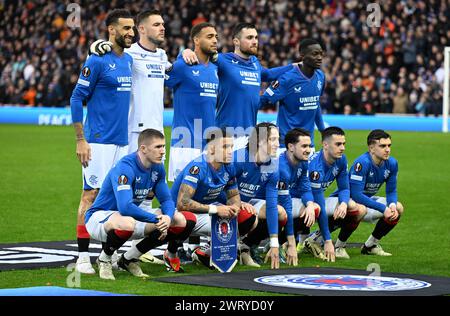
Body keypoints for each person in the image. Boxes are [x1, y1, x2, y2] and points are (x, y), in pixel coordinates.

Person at [70, 9, 134, 275]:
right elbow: (76, 98)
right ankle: (82, 256)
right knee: (90, 195)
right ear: (111, 30)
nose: (131, 33)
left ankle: (109, 253)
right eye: (126, 29)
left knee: (117, 198)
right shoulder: (96, 60)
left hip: (122, 141)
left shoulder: (129, 59)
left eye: (133, 28)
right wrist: (80, 140)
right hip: (97, 141)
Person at [84, 129, 196, 280]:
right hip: (100, 218)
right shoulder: (125, 167)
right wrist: (156, 220)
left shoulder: (157, 167)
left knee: (180, 220)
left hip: (128, 218)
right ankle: (104, 259)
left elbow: (167, 200)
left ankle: (129, 259)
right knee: (127, 222)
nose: (163, 151)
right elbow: (125, 207)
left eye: (163, 146)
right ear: (143, 148)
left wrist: (167, 218)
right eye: (158, 147)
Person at [183, 23, 293, 149]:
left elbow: (268, 74)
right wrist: (185, 52)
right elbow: (200, 54)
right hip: (225, 136)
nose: (255, 41)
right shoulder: (222, 60)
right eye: (249, 38)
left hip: (249, 136)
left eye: (256, 38)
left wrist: (293, 66)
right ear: (236, 41)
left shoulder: (255, 63)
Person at [169, 127, 258, 269]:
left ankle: (206, 252)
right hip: (178, 215)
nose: (230, 151)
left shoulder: (229, 167)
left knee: (247, 217)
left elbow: (233, 195)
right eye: (225, 147)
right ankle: (171, 252)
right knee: (188, 220)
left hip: (204, 213)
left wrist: (235, 207)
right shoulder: (198, 167)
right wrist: (216, 209)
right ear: (211, 149)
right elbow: (182, 203)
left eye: (231, 147)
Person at [231, 123, 293, 269]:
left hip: (246, 203)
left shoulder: (272, 166)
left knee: (280, 213)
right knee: (247, 214)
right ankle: (223, 245)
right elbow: (219, 191)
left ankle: (246, 246)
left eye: (278, 139)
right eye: (272, 139)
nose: (278, 144)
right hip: (223, 202)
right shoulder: (238, 159)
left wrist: (274, 243)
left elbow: (271, 205)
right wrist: (237, 202)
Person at [165, 22, 219, 182]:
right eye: (209, 37)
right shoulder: (183, 65)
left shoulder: (215, 69)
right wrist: (182, 54)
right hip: (185, 143)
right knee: (181, 200)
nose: (215, 40)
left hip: (209, 145)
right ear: (196, 40)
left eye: (216, 36)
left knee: (203, 198)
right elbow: (161, 80)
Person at [303, 127, 366, 262]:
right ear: (325, 145)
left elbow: (344, 188)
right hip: (300, 200)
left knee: (359, 209)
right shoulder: (315, 167)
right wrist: (327, 240)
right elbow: (319, 203)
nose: (342, 148)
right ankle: (282, 242)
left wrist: (343, 203)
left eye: (344, 144)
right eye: (338, 144)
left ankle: (320, 241)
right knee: (316, 209)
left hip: (315, 200)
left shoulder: (341, 160)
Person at [260, 38, 326, 154]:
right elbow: (264, 101)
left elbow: (315, 104)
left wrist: (322, 130)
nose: (319, 57)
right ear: (302, 55)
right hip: (286, 144)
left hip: (308, 145)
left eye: (321, 54)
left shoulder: (320, 76)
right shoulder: (287, 79)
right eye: (315, 54)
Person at [350, 129, 404, 256]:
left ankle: (370, 245)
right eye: (383, 146)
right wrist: (382, 208)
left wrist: (391, 205)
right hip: (349, 202)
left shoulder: (392, 163)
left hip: (367, 202)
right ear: (371, 148)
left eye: (389, 146)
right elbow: (356, 195)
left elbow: (391, 190)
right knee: (358, 209)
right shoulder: (362, 163)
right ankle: (334, 245)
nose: (387, 149)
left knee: (398, 207)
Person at [277, 128, 320, 253]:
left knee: (314, 209)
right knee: (283, 212)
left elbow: (305, 189)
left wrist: (310, 205)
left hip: (282, 201)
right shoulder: (282, 167)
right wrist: (291, 242)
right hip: (267, 202)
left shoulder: (303, 162)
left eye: (310, 146)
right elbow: (284, 201)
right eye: (304, 146)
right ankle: (248, 245)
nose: (309, 150)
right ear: (291, 147)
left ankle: (279, 243)